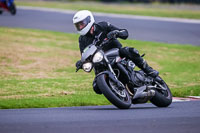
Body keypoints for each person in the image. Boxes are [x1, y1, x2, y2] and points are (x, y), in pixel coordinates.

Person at [73, 10, 159, 79]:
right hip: (101, 61)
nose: (80, 27)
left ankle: (148, 70)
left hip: (116, 52)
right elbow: (84, 55)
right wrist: (81, 62)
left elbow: (124, 33)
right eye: (78, 25)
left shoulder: (103, 26)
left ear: (89, 20)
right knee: (96, 87)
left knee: (129, 51)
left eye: (82, 24)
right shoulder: (82, 39)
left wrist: (117, 33)